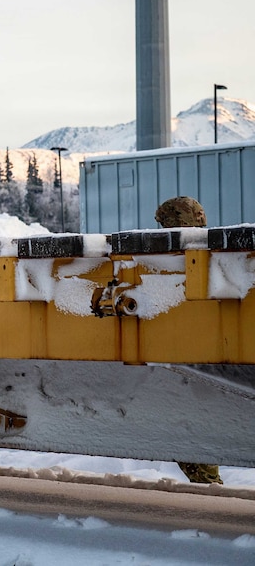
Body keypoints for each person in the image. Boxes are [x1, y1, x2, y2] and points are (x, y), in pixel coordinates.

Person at [155, 196, 224, 486]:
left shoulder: (170, 261)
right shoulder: (217, 254)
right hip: (207, 355)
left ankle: (208, 484)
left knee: (191, 422)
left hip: (189, 357)